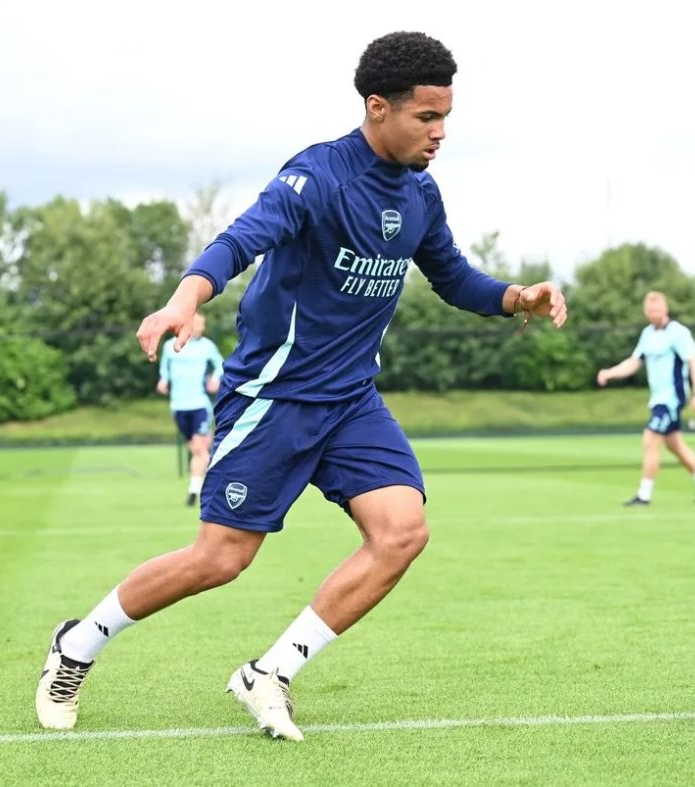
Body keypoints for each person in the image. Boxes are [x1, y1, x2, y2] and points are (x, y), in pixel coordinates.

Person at [35, 31, 567, 741]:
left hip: (351, 402)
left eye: (446, 117)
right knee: (219, 559)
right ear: (378, 107)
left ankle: (270, 673)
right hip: (274, 398)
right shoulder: (319, 176)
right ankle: (78, 643)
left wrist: (513, 298)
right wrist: (186, 299)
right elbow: (240, 239)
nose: (440, 133)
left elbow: (453, 277)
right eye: (426, 117)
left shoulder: (421, 193)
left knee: (402, 531)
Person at [596, 291, 695, 506]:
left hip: (671, 399)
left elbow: (694, 361)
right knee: (674, 444)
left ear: (665, 309)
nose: (653, 313)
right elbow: (634, 362)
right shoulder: (647, 334)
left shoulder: (678, 333)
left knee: (650, 439)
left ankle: (644, 494)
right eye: (649, 310)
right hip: (657, 398)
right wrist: (610, 373)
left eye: (657, 309)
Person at [157, 310, 224, 506]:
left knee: (199, 449)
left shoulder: (207, 346)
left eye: (202, 324)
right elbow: (164, 368)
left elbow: (221, 366)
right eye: (197, 324)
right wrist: (163, 380)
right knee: (198, 449)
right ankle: (212, 474)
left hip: (200, 405)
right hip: (178, 405)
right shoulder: (170, 347)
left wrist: (215, 378)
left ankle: (194, 491)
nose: (201, 328)